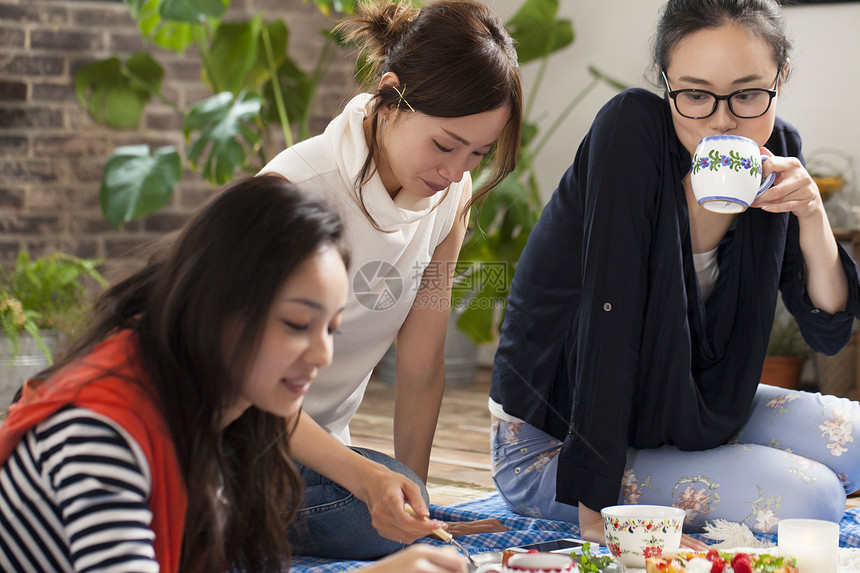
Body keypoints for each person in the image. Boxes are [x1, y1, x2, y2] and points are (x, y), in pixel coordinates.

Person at [489, 0, 860, 548]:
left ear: (780, 79)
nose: (722, 118)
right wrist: (600, 520)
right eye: (694, 94)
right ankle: (717, 474)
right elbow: (606, 324)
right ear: (666, 86)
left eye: (748, 93)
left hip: (694, 412)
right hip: (561, 441)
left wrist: (811, 215)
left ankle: (721, 467)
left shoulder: (777, 151)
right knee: (812, 501)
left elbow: (828, 327)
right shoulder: (632, 133)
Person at [0, 176, 467, 573]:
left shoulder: (221, 419)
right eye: (296, 325)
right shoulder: (103, 433)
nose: (322, 354)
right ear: (219, 309)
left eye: (330, 328)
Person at [259, 0, 522, 559]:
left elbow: (423, 364)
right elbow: (245, 390)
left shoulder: (452, 198)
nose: (454, 172)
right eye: (445, 145)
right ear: (389, 96)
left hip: (316, 453)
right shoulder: (294, 191)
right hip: (240, 443)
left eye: (477, 153)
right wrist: (368, 486)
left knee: (392, 510)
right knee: (366, 519)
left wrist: (413, 505)